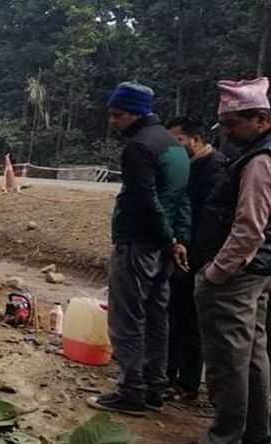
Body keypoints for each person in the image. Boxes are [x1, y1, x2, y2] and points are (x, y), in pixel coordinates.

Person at [86, 82, 191, 416]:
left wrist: (167, 238)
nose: (114, 122)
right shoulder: (174, 146)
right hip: (164, 248)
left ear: (136, 113)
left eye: (118, 115)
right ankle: (155, 387)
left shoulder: (138, 148)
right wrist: (177, 240)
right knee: (157, 316)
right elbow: (181, 199)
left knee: (128, 318)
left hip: (139, 243)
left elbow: (147, 200)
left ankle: (131, 391)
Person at [194, 77, 271, 444]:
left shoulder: (258, 162)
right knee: (253, 354)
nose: (225, 132)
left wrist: (216, 272)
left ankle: (225, 436)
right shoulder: (254, 154)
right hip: (257, 271)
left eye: (232, 124)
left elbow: (249, 228)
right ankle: (256, 433)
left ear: (260, 120)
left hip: (238, 274)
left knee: (228, 361)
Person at [163, 116, 229, 403]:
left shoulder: (216, 170)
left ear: (196, 139)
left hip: (202, 257)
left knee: (191, 320)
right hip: (183, 252)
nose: (172, 147)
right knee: (174, 314)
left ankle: (187, 383)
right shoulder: (187, 167)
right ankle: (168, 374)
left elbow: (214, 220)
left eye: (177, 140)